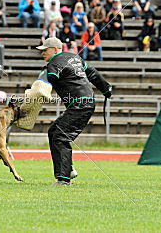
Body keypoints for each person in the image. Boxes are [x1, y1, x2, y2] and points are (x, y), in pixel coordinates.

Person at [36, 37, 112, 185]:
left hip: (79, 104)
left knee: (59, 136)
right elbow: (93, 73)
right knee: (54, 132)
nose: (42, 53)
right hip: (87, 102)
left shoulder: (54, 62)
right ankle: (68, 169)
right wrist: (106, 89)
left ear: (55, 49)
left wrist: (38, 87)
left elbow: (50, 77)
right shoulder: (75, 57)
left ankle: (64, 178)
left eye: (45, 50)